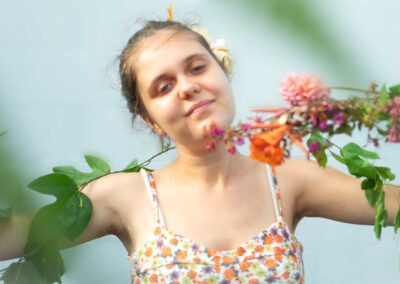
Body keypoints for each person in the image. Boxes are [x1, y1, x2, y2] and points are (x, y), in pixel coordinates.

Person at [1, 19, 399, 283]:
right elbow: (14, 237)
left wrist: (385, 113)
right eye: (163, 86)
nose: (187, 86)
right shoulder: (124, 195)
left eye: (196, 67)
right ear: (151, 120)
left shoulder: (288, 178)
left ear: (222, 75)